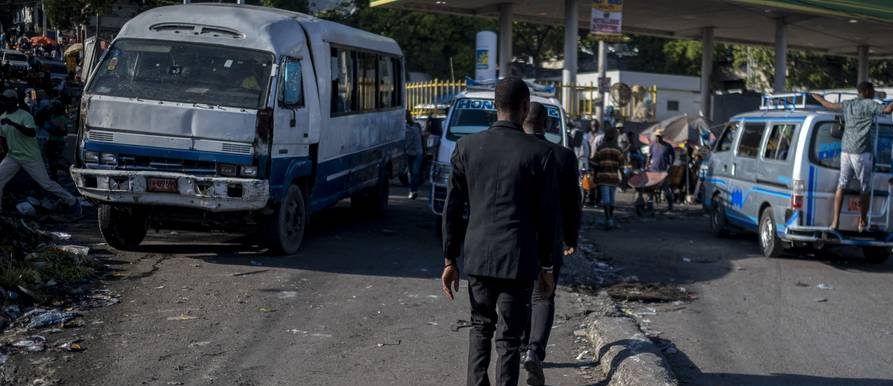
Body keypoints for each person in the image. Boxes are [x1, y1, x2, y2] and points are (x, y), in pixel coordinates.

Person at [441, 77, 559, 386]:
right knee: (509, 338)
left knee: (480, 327)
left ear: (495, 107)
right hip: (519, 260)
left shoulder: (466, 147)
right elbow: (547, 217)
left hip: (478, 255)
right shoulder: (539, 153)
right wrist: (547, 266)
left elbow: (452, 208)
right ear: (524, 108)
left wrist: (450, 259)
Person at [520, 102, 581, 386]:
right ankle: (534, 349)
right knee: (543, 295)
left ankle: (520, 347)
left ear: (523, 118)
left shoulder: (512, 150)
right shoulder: (563, 156)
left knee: (517, 295)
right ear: (548, 124)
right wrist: (571, 236)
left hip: (513, 238)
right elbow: (573, 202)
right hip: (551, 238)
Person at [812, 82, 893, 231]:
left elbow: (828, 105)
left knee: (841, 185)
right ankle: (862, 221)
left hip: (845, 152)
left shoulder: (848, 104)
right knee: (865, 188)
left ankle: (835, 222)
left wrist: (818, 98)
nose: (874, 93)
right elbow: (888, 110)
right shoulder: (869, 104)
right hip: (862, 152)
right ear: (867, 91)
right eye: (873, 91)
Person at [0, 89, 80, 215]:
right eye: (3, 99)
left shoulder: (24, 115)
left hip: (30, 157)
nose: (4, 102)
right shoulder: (2, 117)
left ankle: (72, 201)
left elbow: (31, 133)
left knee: (46, 183)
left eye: (7, 99)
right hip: (13, 156)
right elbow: (3, 137)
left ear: (14, 101)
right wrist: (6, 152)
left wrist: (12, 124)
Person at [595, 127, 623, 228]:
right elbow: (622, 166)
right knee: (611, 200)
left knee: (606, 200)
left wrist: (595, 177)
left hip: (603, 178)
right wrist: (623, 180)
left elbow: (595, 164)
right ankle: (609, 219)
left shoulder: (600, 148)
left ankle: (608, 219)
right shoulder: (618, 149)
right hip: (614, 178)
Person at [648, 128, 676, 210]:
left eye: (659, 136)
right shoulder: (652, 145)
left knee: (666, 189)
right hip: (653, 170)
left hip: (663, 172)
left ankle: (670, 204)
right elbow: (649, 157)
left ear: (662, 137)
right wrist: (647, 166)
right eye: (656, 136)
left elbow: (673, 156)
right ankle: (650, 205)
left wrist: (670, 165)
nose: (657, 138)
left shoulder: (667, 146)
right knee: (650, 189)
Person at [404, 110, 424, 199]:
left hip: (418, 152)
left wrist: (425, 149)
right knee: (411, 173)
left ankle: (413, 191)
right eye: (406, 116)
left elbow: (422, 137)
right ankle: (412, 190)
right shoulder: (403, 127)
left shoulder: (417, 125)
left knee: (415, 172)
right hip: (408, 152)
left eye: (408, 115)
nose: (408, 117)